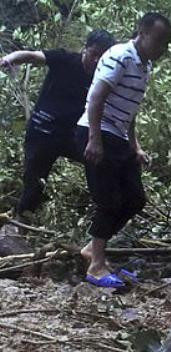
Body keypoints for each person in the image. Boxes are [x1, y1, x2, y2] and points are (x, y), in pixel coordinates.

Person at [76, 12, 171, 289]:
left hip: (117, 135)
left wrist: (136, 147)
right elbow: (96, 98)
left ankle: (92, 250)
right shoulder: (120, 55)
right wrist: (94, 139)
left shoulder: (145, 66)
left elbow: (129, 112)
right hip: (97, 132)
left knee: (135, 199)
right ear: (141, 32)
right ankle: (95, 267)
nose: (161, 48)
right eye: (158, 40)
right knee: (109, 201)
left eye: (166, 43)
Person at [0, 29, 116, 217]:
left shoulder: (103, 76)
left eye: (101, 56)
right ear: (85, 48)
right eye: (94, 54)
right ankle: (20, 226)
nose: (96, 60)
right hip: (42, 131)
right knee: (35, 183)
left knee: (98, 160)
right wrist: (8, 59)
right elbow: (31, 56)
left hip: (71, 136)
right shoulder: (65, 59)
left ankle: (102, 210)